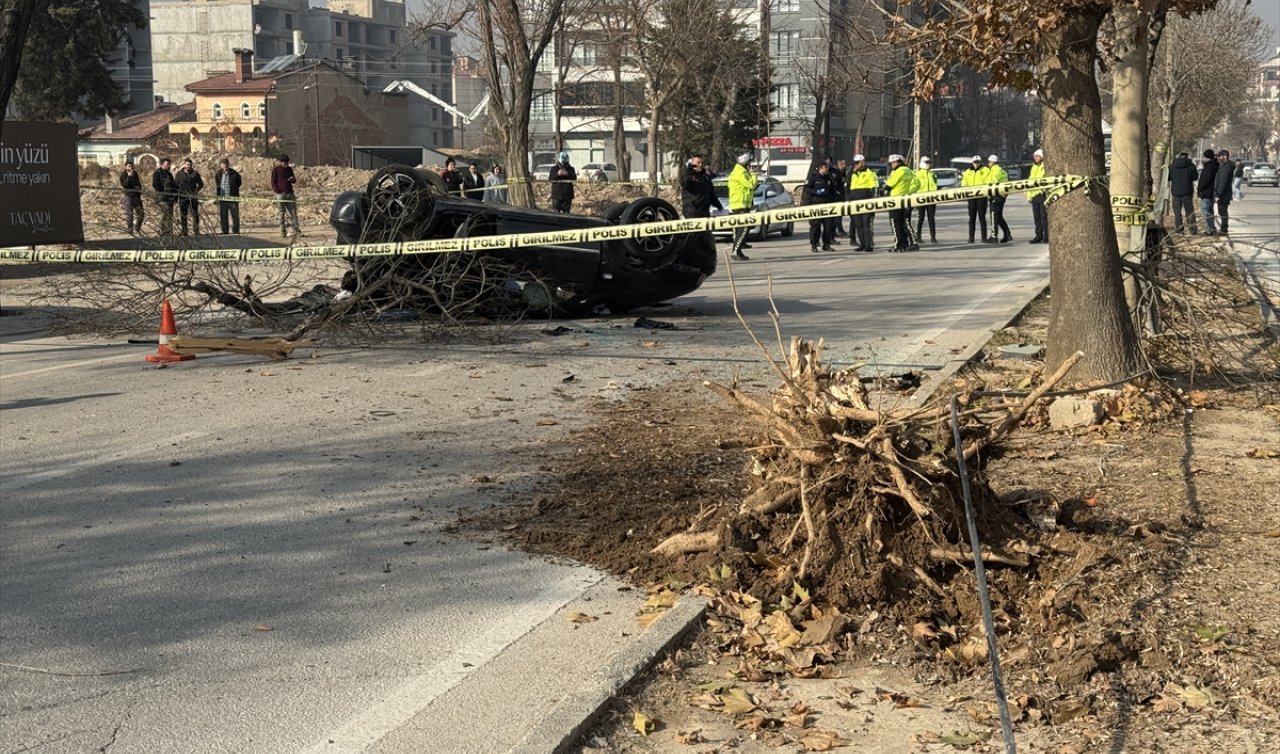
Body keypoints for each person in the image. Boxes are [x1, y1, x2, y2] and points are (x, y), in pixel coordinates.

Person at [726, 152, 757, 261]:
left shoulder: (740, 171)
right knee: (743, 228)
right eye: (749, 162)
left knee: (738, 229)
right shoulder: (740, 173)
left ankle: (738, 249)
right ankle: (736, 251)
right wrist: (754, 174)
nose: (750, 164)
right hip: (741, 204)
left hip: (740, 204)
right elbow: (751, 185)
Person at [884, 154, 917, 252]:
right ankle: (907, 243)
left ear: (896, 162)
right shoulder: (908, 171)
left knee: (895, 223)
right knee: (904, 223)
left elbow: (889, 185)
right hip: (905, 199)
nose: (891, 166)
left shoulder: (898, 171)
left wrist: (885, 188)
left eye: (891, 164)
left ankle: (898, 245)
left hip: (895, 200)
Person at [804, 161, 839, 252]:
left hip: (827, 205)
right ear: (821, 168)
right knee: (815, 227)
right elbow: (807, 189)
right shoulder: (813, 177)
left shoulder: (829, 177)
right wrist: (816, 192)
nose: (828, 169)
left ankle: (826, 244)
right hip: (815, 205)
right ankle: (814, 245)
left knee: (828, 227)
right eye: (826, 167)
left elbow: (833, 191)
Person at [846, 154, 878, 252]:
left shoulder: (870, 172)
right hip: (854, 201)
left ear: (863, 162)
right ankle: (862, 244)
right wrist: (848, 199)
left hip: (866, 202)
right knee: (858, 224)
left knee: (866, 224)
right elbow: (847, 187)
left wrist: (873, 201)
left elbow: (874, 188)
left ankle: (868, 245)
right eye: (854, 163)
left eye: (857, 163)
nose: (855, 165)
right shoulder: (851, 173)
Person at [680, 154, 722, 219]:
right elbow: (684, 183)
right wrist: (689, 171)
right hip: (692, 213)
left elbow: (711, 195)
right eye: (698, 163)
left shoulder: (705, 178)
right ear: (692, 164)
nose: (700, 165)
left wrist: (719, 206)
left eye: (702, 163)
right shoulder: (689, 175)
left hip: (704, 213)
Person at [1167, 151, 1199, 234]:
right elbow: (1195, 177)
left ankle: (1179, 229)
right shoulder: (1191, 166)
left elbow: (1168, 177)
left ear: (1179, 156)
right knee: (1189, 211)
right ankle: (1192, 229)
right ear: (1187, 157)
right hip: (1187, 192)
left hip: (1176, 192)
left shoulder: (1172, 166)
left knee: (1177, 212)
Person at [961, 155, 989, 243]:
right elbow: (964, 183)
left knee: (981, 217)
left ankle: (983, 238)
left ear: (980, 162)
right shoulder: (968, 172)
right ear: (972, 163)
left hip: (981, 197)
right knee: (972, 218)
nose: (977, 164)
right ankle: (971, 237)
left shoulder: (985, 170)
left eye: (978, 162)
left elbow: (988, 181)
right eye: (975, 162)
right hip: (972, 197)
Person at [271, 154, 300, 238]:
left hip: (290, 193)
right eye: (284, 162)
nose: (286, 164)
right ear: (280, 162)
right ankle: (283, 231)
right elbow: (273, 182)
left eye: (287, 162)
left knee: (293, 213)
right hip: (281, 195)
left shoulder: (289, 169)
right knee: (281, 214)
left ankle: (296, 230)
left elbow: (294, 180)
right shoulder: (275, 170)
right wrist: (278, 191)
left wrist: (292, 179)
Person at [985, 154, 1011, 243]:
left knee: (993, 215)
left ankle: (994, 236)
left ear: (992, 162)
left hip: (995, 195)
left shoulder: (994, 171)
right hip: (1002, 195)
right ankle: (1007, 233)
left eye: (989, 162)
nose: (988, 163)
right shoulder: (1001, 170)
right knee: (999, 216)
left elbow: (993, 183)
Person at [175, 158, 204, 236]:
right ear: (184, 165)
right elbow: (176, 185)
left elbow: (201, 184)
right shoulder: (179, 174)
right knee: (183, 215)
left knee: (195, 214)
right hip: (182, 197)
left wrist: (195, 191)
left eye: (190, 165)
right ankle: (184, 231)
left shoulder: (195, 173)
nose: (189, 166)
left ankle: (196, 231)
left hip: (193, 197)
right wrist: (177, 196)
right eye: (187, 164)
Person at [214, 158, 242, 234]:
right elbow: (217, 184)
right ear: (221, 165)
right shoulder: (218, 174)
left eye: (226, 164)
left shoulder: (234, 174)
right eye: (223, 164)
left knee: (235, 215)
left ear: (228, 164)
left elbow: (239, 183)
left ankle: (236, 230)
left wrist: (233, 190)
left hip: (232, 198)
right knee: (223, 215)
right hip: (222, 198)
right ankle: (225, 230)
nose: (225, 166)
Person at [1026, 149, 1049, 243]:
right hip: (1034, 195)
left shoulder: (1044, 166)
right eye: (1035, 156)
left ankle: (1046, 236)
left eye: (1038, 156)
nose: (1036, 158)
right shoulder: (1033, 167)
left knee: (1044, 216)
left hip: (1042, 194)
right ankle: (1038, 235)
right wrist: (1028, 195)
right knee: (1037, 217)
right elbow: (1030, 181)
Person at [151, 158, 178, 236]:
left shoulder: (169, 174)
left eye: (169, 164)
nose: (169, 166)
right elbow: (155, 185)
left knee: (170, 215)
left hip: (170, 198)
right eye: (167, 164)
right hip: (162, 198)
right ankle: (161, 230)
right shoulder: (157, 173)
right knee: (164, 214)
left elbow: (173, 185)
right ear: (161, 164)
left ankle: (169, 231)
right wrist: (163, 193)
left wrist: (175, 195)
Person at [913, 156, 938, 243]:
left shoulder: (932, 174)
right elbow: (914, 186)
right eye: (927, 162)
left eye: (929, 162)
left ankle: (933, 237)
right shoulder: (917, 174)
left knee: (931, 218)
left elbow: (935, 184)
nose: (928, 164)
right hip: (921, 198)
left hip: (931, 198)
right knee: (920, 218)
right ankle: (918, 236)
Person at [1196, 148, 1218, 235]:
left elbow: (1205, 180)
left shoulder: (1209, 167)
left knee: (1205, 211)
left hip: (1206, 192)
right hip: (1211, 191)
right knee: (1210, 210)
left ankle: (1210, 230)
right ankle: (1212, 228)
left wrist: (1200, 188)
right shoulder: (1215, 165)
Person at [119, 161, 144, 234]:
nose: (131, 167)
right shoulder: (123, 175)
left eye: (132, 166)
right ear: (126, 167)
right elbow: (125, 185)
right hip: (128, 196)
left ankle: (137, 228)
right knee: (130, 214)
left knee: (141, 213)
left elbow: (138, 183)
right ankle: (130, 230)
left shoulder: (135, 174)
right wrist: (129, 176)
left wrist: (140, 191)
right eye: (129, 166)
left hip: (136, 196)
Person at [1213, 149, 1234, 235]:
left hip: (1223, 194)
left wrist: (1218, 194)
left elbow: (1223, 182)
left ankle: (1224, 229)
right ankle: (1223, 228)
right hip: (1223, 193)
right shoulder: (1223, 166)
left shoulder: (1226, 167)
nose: (1218, 158)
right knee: (1222, 211)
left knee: (1223, 211)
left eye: (1219, 156)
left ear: (1225, 156)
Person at [829, 158, 848, 238]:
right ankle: (839, 231)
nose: (843, 167)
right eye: (841, 165)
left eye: (844, 165)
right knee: (836, 215)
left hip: (842, 196)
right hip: (836, 197)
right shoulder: (835, 173)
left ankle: (838, 230)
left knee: (840, 215)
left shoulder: (843, 173)